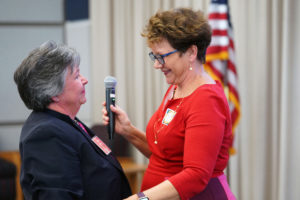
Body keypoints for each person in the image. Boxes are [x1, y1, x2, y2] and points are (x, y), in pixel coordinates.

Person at [102, 8, 236, 200]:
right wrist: (128, 130)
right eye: (154, 56)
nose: (157, 64)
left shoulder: (206, 100)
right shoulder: (176, 87)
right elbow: (165, 156)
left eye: (162, 56)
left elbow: (196, 176)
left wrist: (139, 199)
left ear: (191, 52)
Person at [14, 41, 132, 200]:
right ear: (54, 93)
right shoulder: (46, 134)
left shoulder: (66, 121)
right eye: (76, 76)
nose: (84, 80)